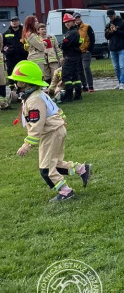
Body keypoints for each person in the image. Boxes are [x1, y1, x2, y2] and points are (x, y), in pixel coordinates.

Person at [9, 60, 91, 203]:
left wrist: (26, 146)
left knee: (46, 169)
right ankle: (82, 169)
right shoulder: (38, 94)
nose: (15, 83)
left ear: (25, 83)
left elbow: (36, 126)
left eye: (17, 81)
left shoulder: (34, 100)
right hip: (56, 130)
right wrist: (62, 120)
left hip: (51, 133)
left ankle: (65, 191)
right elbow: (55, 108)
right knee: (55, 162)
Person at [60, 13, 83, 102]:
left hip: (70, 56)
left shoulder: (72, 33)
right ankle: (78, 94)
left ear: (73, 22)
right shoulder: (74, 32)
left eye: (69, 22)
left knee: (66, 76)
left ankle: (68, 96)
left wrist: (61, 44)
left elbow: (64, 44)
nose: (67, 24)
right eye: (66, 22)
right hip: (75, 56)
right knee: (75, 76)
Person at [105, 9, 124, 89]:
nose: (110, 18)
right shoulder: (108, 25)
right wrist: (110, 32)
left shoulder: (122, 22)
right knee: (116, 67)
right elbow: (106, 36)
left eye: (111, 16)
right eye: (109, 17)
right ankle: (119, 82)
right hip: (112, 48)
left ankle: (122, 83)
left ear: (114, 14)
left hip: (121, 48)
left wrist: (116, 30)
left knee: (122, 66)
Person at [21, 15, 49, 81]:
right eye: (35, 21)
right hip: (36, 60)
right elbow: (41, 47)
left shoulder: (33, 34)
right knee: (39, 79)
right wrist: (44, 43)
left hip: (38, 59)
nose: (38, 22)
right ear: (31, 23)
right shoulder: (31, 35)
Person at [73, 12, 95, 92]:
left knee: (86, 68)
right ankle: (84, 85)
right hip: (77, 52)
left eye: (78, 17)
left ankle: (91, 86)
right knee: (79, 69)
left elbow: (92, 39)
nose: (77, 19)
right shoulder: (73, 29)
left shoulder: (87, 27)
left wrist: (89, 50)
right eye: (76, 18)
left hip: (86, 51)